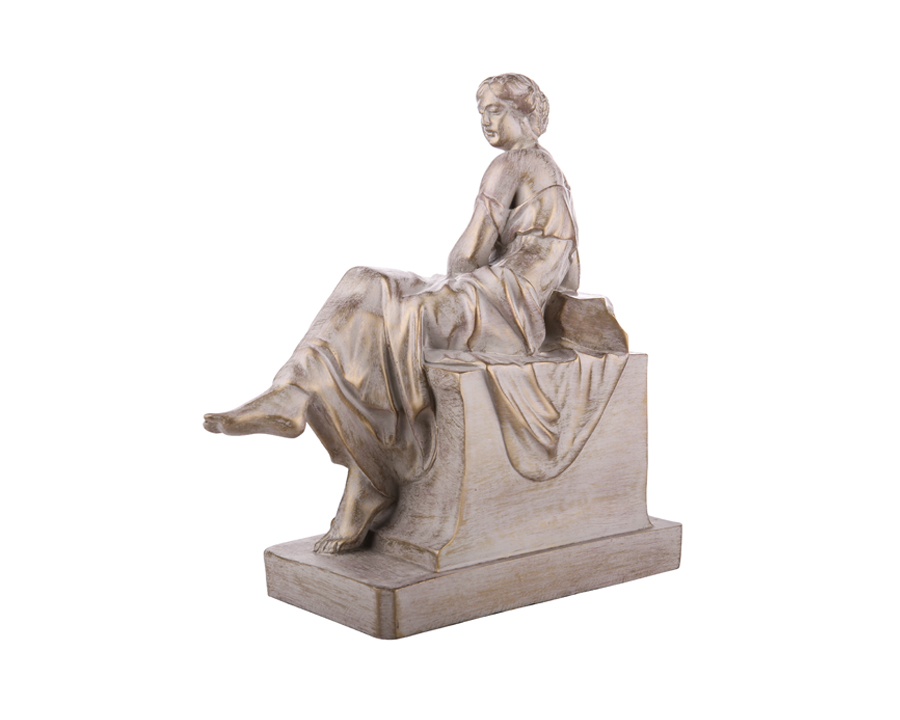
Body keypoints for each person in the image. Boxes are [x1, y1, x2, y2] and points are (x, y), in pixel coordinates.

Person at [204, 74, 582, 553]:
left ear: (524, 115)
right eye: (480, 111)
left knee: (388, 310)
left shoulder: (511, 163)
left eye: (495, 110)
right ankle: (293, 396)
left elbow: (466, 255)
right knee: (368, 281)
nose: (485, 121)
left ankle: (340, 444)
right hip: (507, 302)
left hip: (499, 308)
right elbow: (571, 274)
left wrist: (471, 281)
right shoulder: (553, 172)